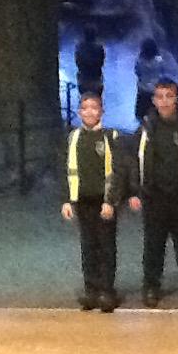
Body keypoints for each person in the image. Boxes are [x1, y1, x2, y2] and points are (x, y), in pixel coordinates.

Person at [127, 78, 178, 308]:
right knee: (153, 246)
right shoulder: (145, 129)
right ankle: (151, 287)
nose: (164, 101)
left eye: (169, 96)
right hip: (154, 197)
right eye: (159, 97)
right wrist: (134, 191)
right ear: (153, 100)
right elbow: (133, 162)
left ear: (177, 98)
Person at [60, 92, 123, 313]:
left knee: (106, 247)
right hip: (83, 201)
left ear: (101, 111)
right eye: (85, 108)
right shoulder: (73, 137)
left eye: (94, 108)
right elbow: (66, 169)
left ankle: (107, 290)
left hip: (104, 202)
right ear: (79, 112)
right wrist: (67, 200)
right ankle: (91, 289)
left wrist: (111, 201)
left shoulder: (111, 136)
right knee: (88, 247)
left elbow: (118, 171)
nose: (89, 112)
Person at [133, 38, 170, 122]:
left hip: (143, 90)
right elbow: (163, 74)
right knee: (156, 116)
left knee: (141, 115)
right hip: (155, 90)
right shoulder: (159, 61)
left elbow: (137, 73)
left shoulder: (140, 60)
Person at [75, 26, 105, 96]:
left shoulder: (79, 46)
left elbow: (77, 62)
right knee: (96, 98)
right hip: (96, 78)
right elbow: (101, 62)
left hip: (83, 78)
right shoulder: (99, 47)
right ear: (95, 35)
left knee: (84, 97)